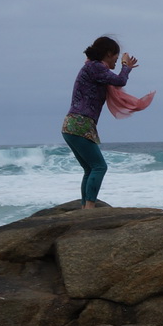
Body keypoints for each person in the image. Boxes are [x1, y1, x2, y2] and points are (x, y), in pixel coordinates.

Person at [62, 36, 139, 208]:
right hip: (80, 123)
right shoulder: (95, 67)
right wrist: (126, 67)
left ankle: (85, 208)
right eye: (116, 58)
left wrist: (125, 67)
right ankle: (89, 208)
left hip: (72, 125)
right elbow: (120, 81)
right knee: (99, 167)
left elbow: (114, 81)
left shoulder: (91, 67)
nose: (116, 62)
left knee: (90, 169)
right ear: (108, 53)